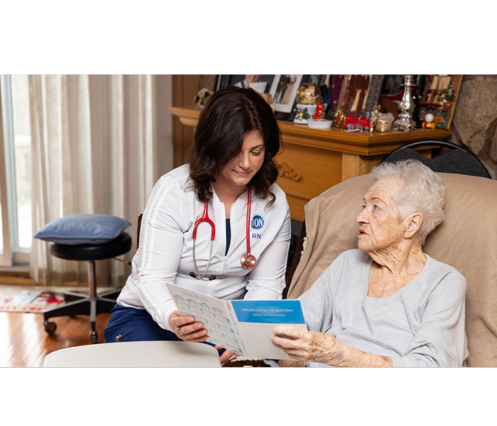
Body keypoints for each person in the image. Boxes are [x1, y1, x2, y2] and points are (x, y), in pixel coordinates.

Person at [104, 86, 291, 364]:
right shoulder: (174, 191)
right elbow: (153, 278)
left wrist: (248, 335)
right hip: (152, 316)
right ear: (214, 145)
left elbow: (266, 285)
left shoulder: (274, 202)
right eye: (235, 151)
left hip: (226, 324)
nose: (245, 164)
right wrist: (173, 317)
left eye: (256, 151)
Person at [271, 159, 468, 367]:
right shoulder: (347, 262)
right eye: (364, 206)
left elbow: (433, 364)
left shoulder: (444, 282)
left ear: (411, 225)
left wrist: (339, 355)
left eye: (376, 207)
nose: (360, 217)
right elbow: (293, 325)